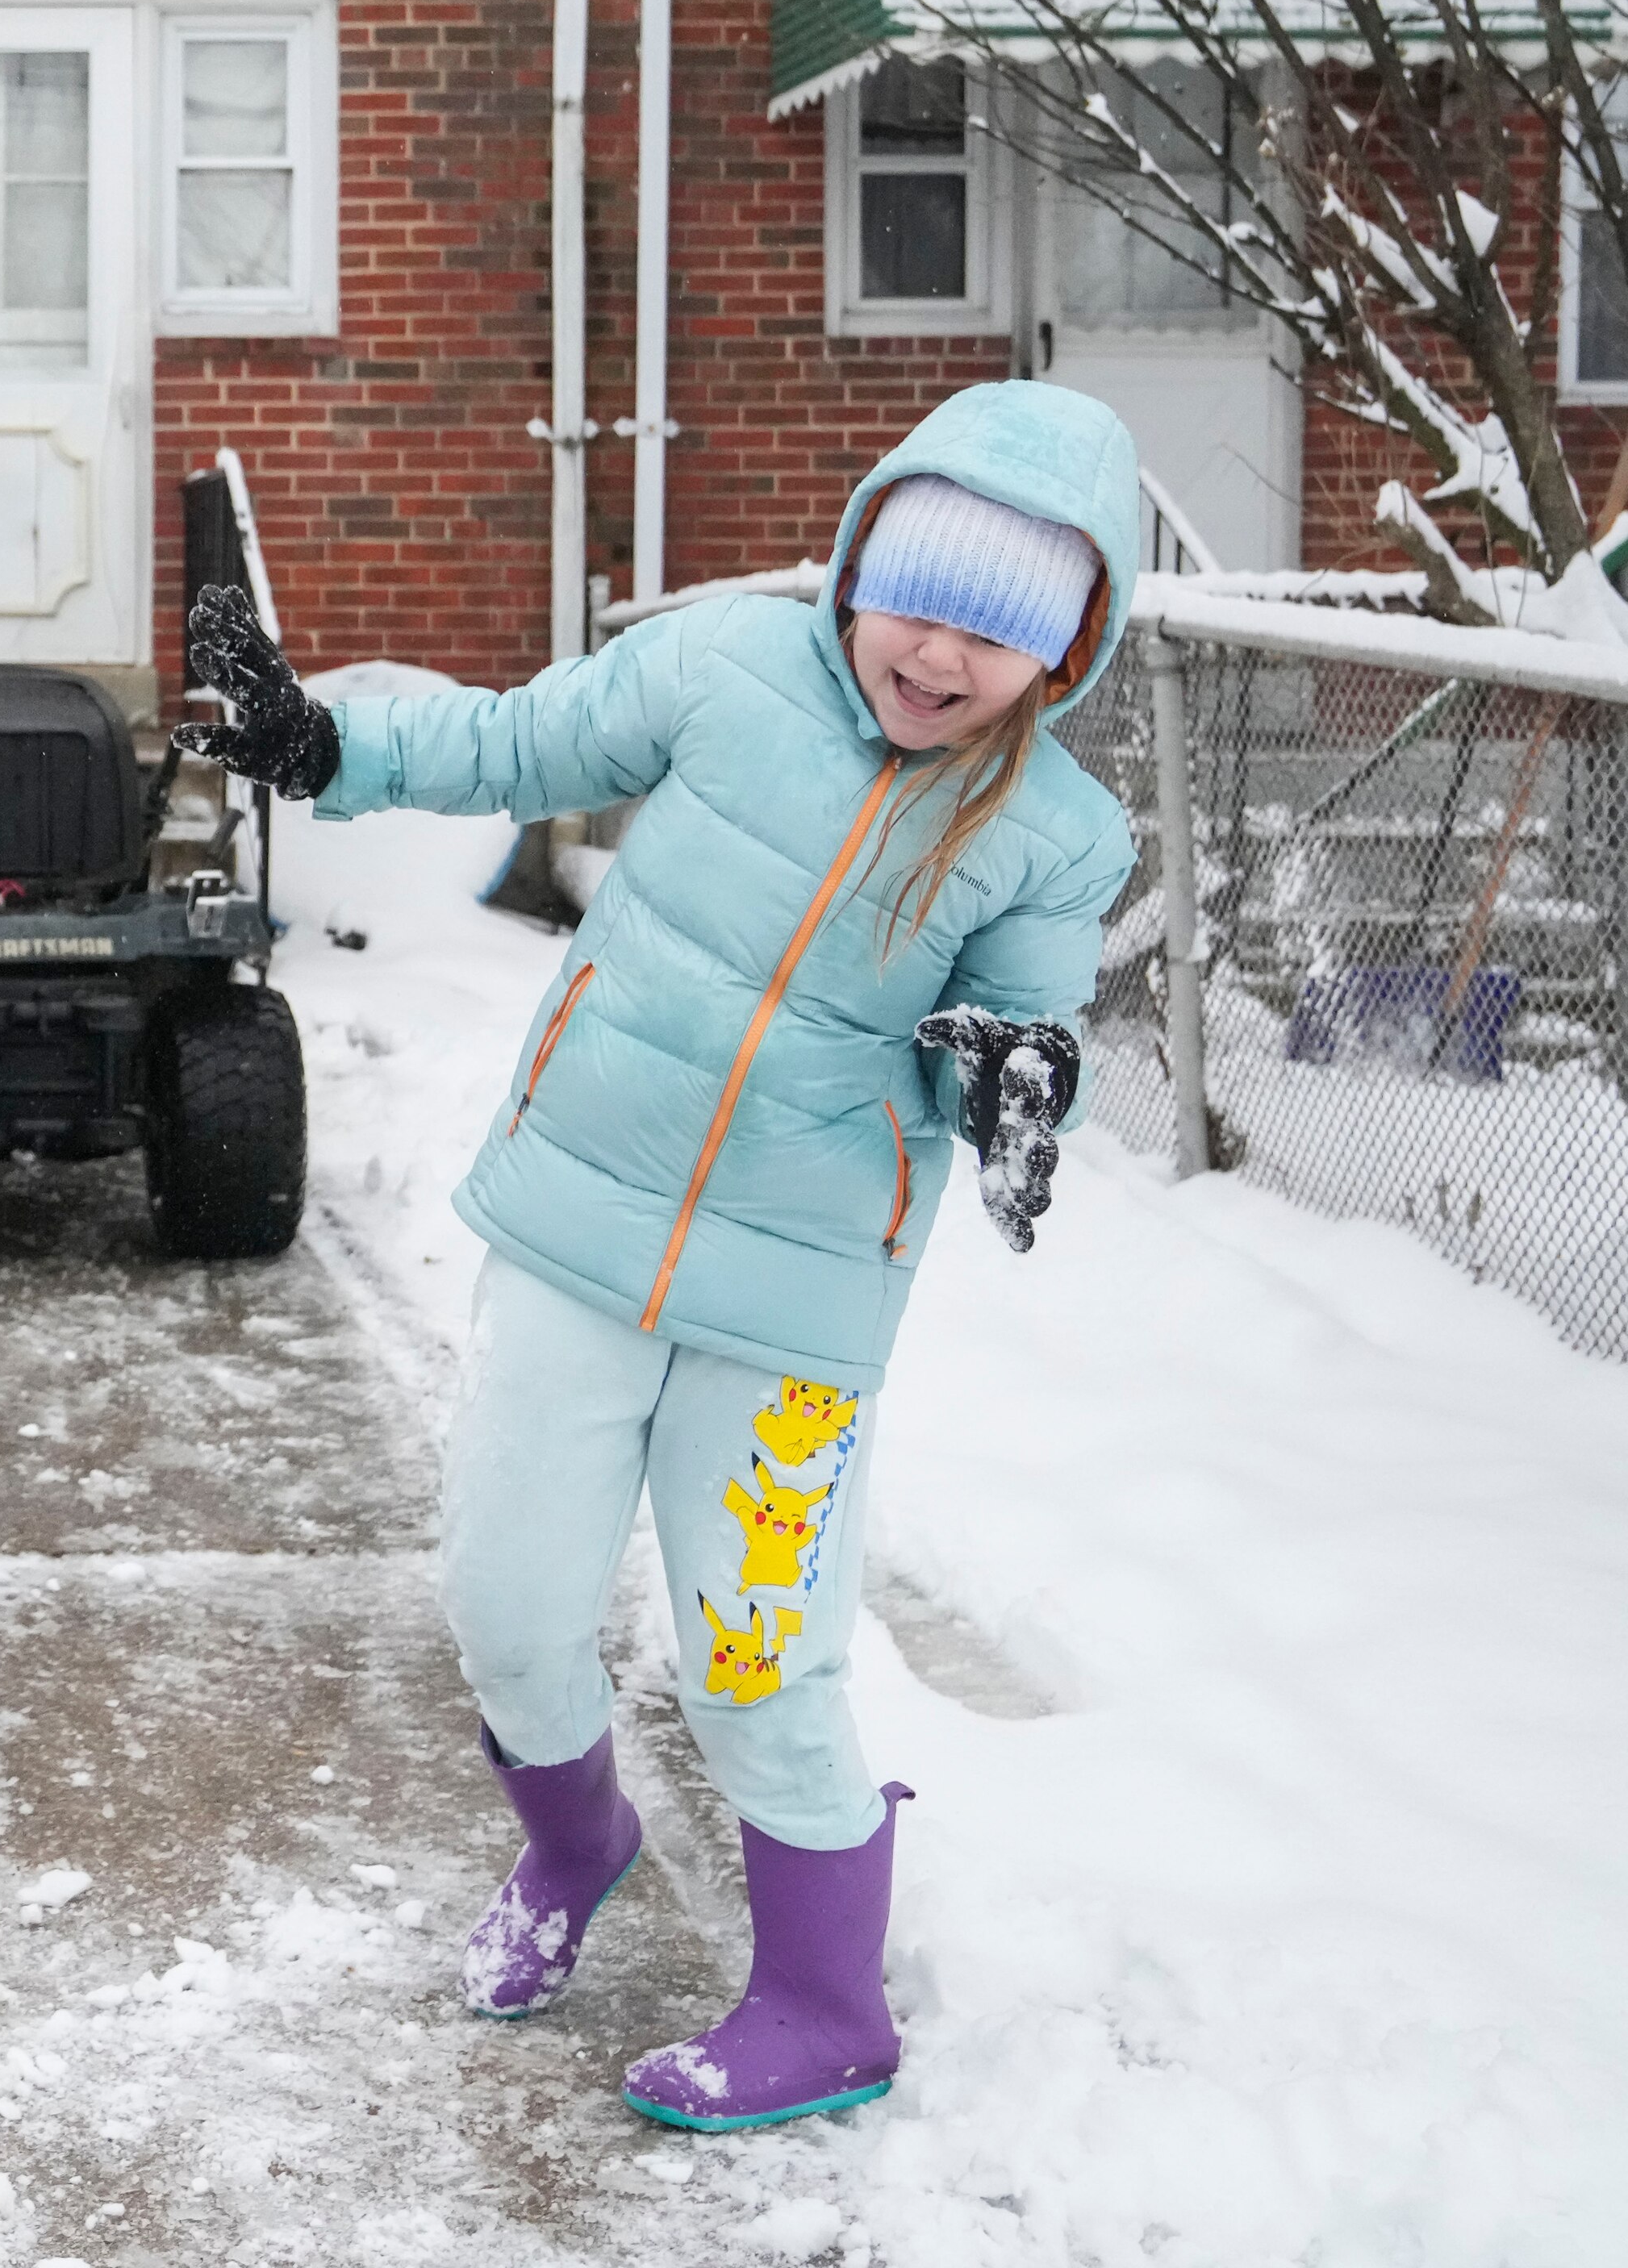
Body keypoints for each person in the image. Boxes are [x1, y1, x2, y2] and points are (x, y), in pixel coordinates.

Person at [180, 379, 1142, 2133]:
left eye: (996, 638)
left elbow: (1019, 1017)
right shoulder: (725, 666)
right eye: (914, 599)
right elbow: (517, 746)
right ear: (856, 566)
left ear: (1063, 655)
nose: (934, 657)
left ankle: (823, 2006)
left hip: (794, 1311)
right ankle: (575, 1849)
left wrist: (1013, 1072)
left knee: (763, 1665)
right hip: (574, 1233)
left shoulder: (1054, 831)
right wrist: (324, 745)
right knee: (509, 1613)